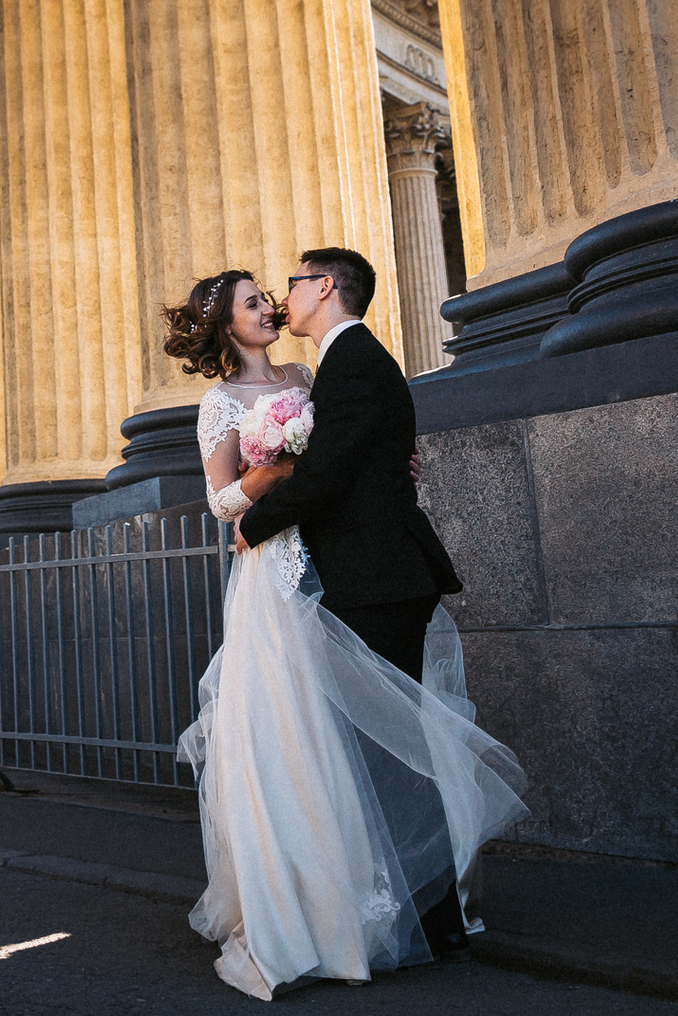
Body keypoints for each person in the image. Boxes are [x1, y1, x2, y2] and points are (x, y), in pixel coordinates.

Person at [176, 256, 528, 995]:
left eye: (272, 295)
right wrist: (267, 481)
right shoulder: (220, 402)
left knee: (359, 738)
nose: (269, 307)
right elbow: (222, 501)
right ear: (228, 325)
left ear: (323, 290)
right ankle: (321, 896)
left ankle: (387, 899)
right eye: (252, 302)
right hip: (280, 567)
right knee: (300, 730)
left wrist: (380, 468)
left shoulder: (311, 376)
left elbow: (340, 456)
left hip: (335, 563)